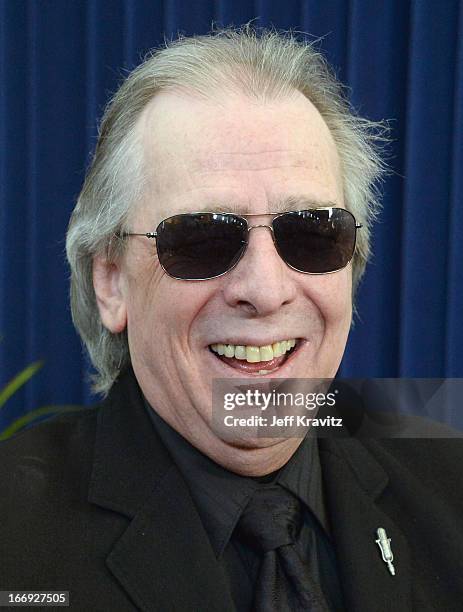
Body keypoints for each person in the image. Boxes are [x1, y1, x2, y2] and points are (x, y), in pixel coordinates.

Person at [1, 27, 462, 612]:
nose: (266, 291)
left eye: (312, 234)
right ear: (112, 281)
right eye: (203, 239)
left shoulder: (449, 476)